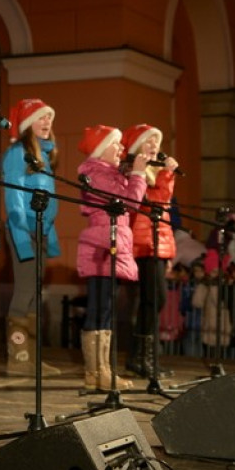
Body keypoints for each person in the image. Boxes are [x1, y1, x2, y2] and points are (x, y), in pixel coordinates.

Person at [76, 125, 147, 391]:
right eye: (116, 144)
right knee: (100, 308)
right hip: (102, 244)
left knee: (105, 309)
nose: (121, 148)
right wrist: (137, 174)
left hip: (112, 241)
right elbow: (129, 203)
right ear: (101, 147)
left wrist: (132, 173)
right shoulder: (95, 172)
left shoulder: (109, 173)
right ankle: (96, 371)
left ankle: (101, 371)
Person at [2, 98, 62, 377]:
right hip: (24, 230)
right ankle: (19, 358)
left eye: (49, 117)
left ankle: (33, 359)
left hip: (41, 231)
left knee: (36, 292)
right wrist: (22, 230)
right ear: (28, 124)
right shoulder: (18, 153)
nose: (47, 121)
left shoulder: (44, 157)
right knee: (26, 289)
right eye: (41, 117)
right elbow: (13, 194)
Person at [120, 124, 179, 378]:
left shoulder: (156, 172)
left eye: (157, 141)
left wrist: (169, 252)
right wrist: (166, 175)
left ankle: (143, 358)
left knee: (152, 301)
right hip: (143, 242)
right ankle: (142, 358)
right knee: (154, 299)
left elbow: (164, 211)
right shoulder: (133, 170)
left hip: (158, 241)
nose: (155, 146)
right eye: (148, 141)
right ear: (136, 146)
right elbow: (152, 201)